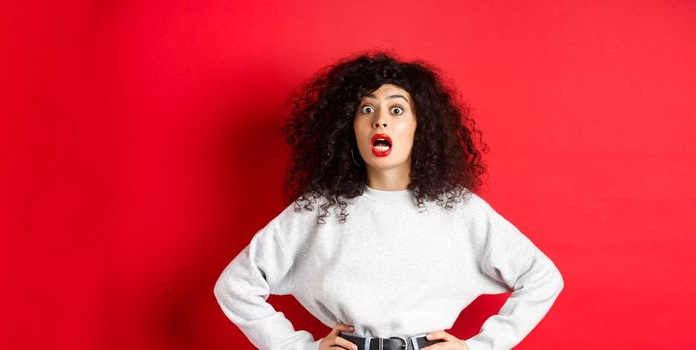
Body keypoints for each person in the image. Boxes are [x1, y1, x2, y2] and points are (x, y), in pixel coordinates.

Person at [214, 51, 564, 350]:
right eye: (366, 109)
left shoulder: (459, 210)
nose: (380, 119)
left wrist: (480, 346)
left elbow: (542, 278)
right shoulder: (320, 210)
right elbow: (236, 286)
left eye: (397, 110)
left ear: (419, 126)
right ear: (349, 127)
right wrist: (298, 347)